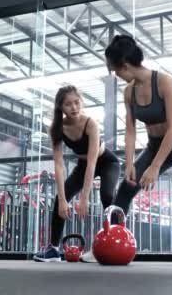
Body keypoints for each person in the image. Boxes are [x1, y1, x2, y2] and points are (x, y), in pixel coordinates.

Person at [105, 35, 172, 265]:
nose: (116, 76)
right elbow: (131, 130)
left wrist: (155, 167)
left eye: (115, 71)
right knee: (126, 187)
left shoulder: (164, 81)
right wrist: (129, 165)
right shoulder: (129, 92)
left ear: (124, 66)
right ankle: (109, 242)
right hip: (155, 145)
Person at [33, 85, 120, 262]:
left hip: (106, 162)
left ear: (81, 102)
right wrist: (64, 200)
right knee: (59, 199)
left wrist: (84, 197)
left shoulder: (90, 124)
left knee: (107, 196)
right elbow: (58, 165)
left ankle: (115, 242)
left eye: (76, 102)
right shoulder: (57, 128)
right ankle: (53, 250)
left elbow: (93, 161)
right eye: (68, 104)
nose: (73, 107)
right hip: (83, 164)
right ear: (61, 107)